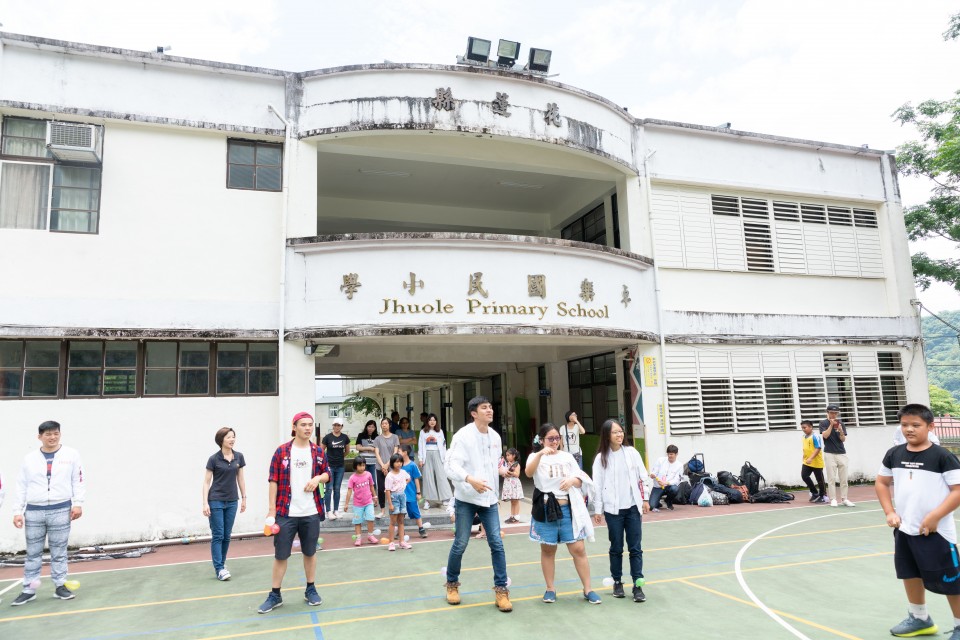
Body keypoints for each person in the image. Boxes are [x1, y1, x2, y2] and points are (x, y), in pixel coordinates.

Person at [876, 403, 960, 639]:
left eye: (916, 425)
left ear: (930, 427)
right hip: (904, 529)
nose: (909, 429)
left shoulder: (942, 456)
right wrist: (889, 512)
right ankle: (919, 618)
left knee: (952, 581)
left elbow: (957, 490)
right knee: (909, 573)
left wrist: (935, 516)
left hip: (937, 533)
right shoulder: (894, 454)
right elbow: (881, 483)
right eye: (904, 425)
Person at [443, 396, 512, 612]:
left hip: (489, 499)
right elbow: (450, 465)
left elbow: (493, 463)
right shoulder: (462, 436)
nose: (490, 410)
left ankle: (501, 590)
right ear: (474, 413)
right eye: (484, 408)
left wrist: (500, 470)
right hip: (466, 498)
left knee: (497, 543)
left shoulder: (495, 437)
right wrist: (469, 479)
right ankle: (452, 584)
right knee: (461, 543)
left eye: (490, 407)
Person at [257, 412, 330, 614]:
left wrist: (318, 479)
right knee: (281, 555)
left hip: (311, 511)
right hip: (285, 513)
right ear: (294, 427)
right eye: (303, 424)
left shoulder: (318, 451)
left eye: (310, 424)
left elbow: (327, 473)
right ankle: (275, 595)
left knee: (310, 552)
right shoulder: (281, 452)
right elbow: (273, 481)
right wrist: (271, 510)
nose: (307, 428)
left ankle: (311, 589)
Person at [11, 420, 85, 606]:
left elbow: (78, 480)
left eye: (55, 433)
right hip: (34, 511)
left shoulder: (71, 454)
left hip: (61, 509)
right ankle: (29, 590)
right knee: (33, 553)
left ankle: (60, 586)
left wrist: (78, 503)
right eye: (48, 434)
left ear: (60, 434)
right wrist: (17, 511)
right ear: (39, 437)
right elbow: (21, 486)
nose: (52, 437)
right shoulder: (29, 458)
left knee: (59, 551)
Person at [526, 422, 599, 605]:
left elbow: (581, 478)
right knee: (548, 549)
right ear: (542, 440)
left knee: (578, 548)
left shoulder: (567, 457)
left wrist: (572, 481)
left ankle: (588, 589)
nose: (554, 442)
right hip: (546, 508)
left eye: (557, 438)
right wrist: (540, 454)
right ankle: (550, 588)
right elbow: (528, 472)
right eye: (550, 438)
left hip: (568, 509)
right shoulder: (535, 457)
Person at [592, 419, 649, 603]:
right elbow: (597, 486)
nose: (619, 435)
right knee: (616, 548)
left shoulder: (632, 453)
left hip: (633, 509)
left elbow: (643, 476)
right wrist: (598, 509)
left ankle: (638, 585)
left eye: (621, 431)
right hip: (613, 511)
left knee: (635, 548)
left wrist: (645, 498)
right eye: (615, 432)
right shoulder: (601, 458)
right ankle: (617, 582)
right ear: (607, 435)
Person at [202, 427, 247, 581]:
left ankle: (221, 563)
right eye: (228, 437)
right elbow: (206, 482)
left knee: (227, 536)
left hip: (232, 501)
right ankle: (219, 569)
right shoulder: (213, 459)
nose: (232, 439)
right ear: (221, 440)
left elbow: (240, 479)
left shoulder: (239, 457)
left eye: (233, 436)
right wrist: (205, 503)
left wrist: (244, 498)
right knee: (218, 535)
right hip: (215, 500)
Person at [820, 404, 855, 507]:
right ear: (827, 412)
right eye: (832, 413)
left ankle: (844, 499)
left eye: (836, 413)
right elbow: (825, 436)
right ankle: (833, 499)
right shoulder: (823, 423)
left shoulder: (841, 424)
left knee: (844, 478)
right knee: (831, 478)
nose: (834, 415)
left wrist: (840, 430)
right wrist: (831, 425)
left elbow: (843, 439)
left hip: (841, 453)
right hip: (829, 453)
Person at [418, 413, 452, 509]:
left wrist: (445, 458)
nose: (432, 422)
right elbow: (420, 445)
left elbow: (444, 445)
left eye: (434, 420)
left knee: (441, 476)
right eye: (430, 420)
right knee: (428, 477)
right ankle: (427, 500)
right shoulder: (423, 432)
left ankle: (445, 498)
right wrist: (420, 459)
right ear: (427, 421)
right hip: (427, 454)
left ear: (436, 422)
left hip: (438, 454)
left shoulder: (440, 431)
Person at [344, 457, 379, 546]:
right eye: (360, 466)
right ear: (355, 466)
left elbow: (371, 486)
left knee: (370, 518)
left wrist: (375, 497)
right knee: (357, 521)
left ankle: (370, 535)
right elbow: (349, 491)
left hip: (368, 502)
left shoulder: (368, 475)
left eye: (363, 465)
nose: (362, 467)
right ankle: (358, 538)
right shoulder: (352, 478)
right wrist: (346, 504)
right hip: (358, 504)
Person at [321, 421, 350, 519]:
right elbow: (321, 451)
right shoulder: (327, 437)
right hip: (329, 466)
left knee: (337, 489)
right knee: (329, 489)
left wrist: (340, 457)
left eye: (339, 425)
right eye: (335, 425)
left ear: (342, 426)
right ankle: (328, 511)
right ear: (333, 426)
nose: (337, 427)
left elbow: (347, 451)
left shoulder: (345, 437)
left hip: (340, 466)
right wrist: (326, 462)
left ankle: (336, 510)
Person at [384, 453, 412, 551]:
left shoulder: (403, 472)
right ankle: (391, 542)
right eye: (396, 462)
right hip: (394, 497)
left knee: (401, 521)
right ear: (392, 463)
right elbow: (388, 490)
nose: (399, 464)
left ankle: (402, 542)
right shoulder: (389, 476)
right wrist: (390, 504)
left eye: (400, 462)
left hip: (402, 496)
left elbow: (409, 478)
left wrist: (403, 484)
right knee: (393, 521)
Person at [374, 418, 400, 519]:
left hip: (392, 467)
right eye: (382, 424)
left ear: (389, 425)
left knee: (394, 488)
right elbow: (377, 453)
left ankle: (394, 508)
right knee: (381, 489)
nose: (384, 425)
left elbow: (395, 452)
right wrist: (383, 466)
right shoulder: (377, 439)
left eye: (386, 423)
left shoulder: (395, 437)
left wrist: (387, 465)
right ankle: (382, 510)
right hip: (380, 467)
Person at [400, 445, 427, 538]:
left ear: (405, 453)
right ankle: (401, 531)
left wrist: (418, 493)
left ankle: (421, 529)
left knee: (415, 512)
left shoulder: (412, 465)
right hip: (400, 494)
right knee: (401, 514)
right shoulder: (398, 465)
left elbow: (416, 479)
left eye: (399, 451)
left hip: (411, 494)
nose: (397, 453)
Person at [355, 420, 381, 514]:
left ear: (375, 428)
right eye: (369, 426)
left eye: (373, 427)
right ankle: (363, 500)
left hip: (373, 462)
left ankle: (373, 499)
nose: (371, 428)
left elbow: (378, 449)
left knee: (373, 482)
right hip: (363, 463)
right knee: (362, 482)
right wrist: (369, 448)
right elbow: (358, 447)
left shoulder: (377, 437)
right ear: (366, 427)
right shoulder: (361, 435)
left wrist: (367, 449)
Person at [647, 444, 683, 512]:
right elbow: (654, 472)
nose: (669, 456)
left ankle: (668, 501)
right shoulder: (660, 460)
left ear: (676, 454)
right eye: (668, 454)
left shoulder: (680, 465)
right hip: (658, 487)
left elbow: (677, 480)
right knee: (651, 506)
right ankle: (657, 503)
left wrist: (666, 483)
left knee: (675, 489)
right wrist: (652, 475)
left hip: (669, 486)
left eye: (671, 454)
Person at [799, 421, 827, 504]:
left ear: (811, 427)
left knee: (820, 480)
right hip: (807, 461)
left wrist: (811, 458)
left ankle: (823, 496)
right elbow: (806, 448)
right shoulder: (804, 437)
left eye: (805, 427)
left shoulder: (815, 436)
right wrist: (804, 456)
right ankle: (814, 493)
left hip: (816, 462)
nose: (803, 429)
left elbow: (818, 448)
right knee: (804, 476)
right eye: (802, 428)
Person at [499, 448, 523, 524]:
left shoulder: (516, 464)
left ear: (514, 455)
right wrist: (505, 473)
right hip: (509, 484)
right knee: (512, 501)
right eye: (506, 455)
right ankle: (512, 516)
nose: (507, 457)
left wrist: (511, 471)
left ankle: (516, 516)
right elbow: (503, 472)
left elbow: (517, 474)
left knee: (516, 501)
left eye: (508, 455)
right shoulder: (507, 464)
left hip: (514, 484)